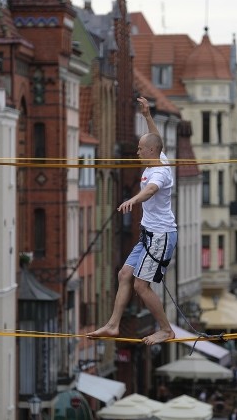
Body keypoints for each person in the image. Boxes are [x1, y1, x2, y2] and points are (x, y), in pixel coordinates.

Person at [87, 97, 177, 345]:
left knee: (141, 286)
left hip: (161, 236)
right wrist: (147, 115)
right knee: (124, 273)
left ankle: (166, 329)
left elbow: (150, 191)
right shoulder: (159, 158)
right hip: (148, 235)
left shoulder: (160, 172)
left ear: (149, 152)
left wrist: (132, 200)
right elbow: (156, 138)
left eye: (140, 148)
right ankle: (113, 324)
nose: (137, 152)